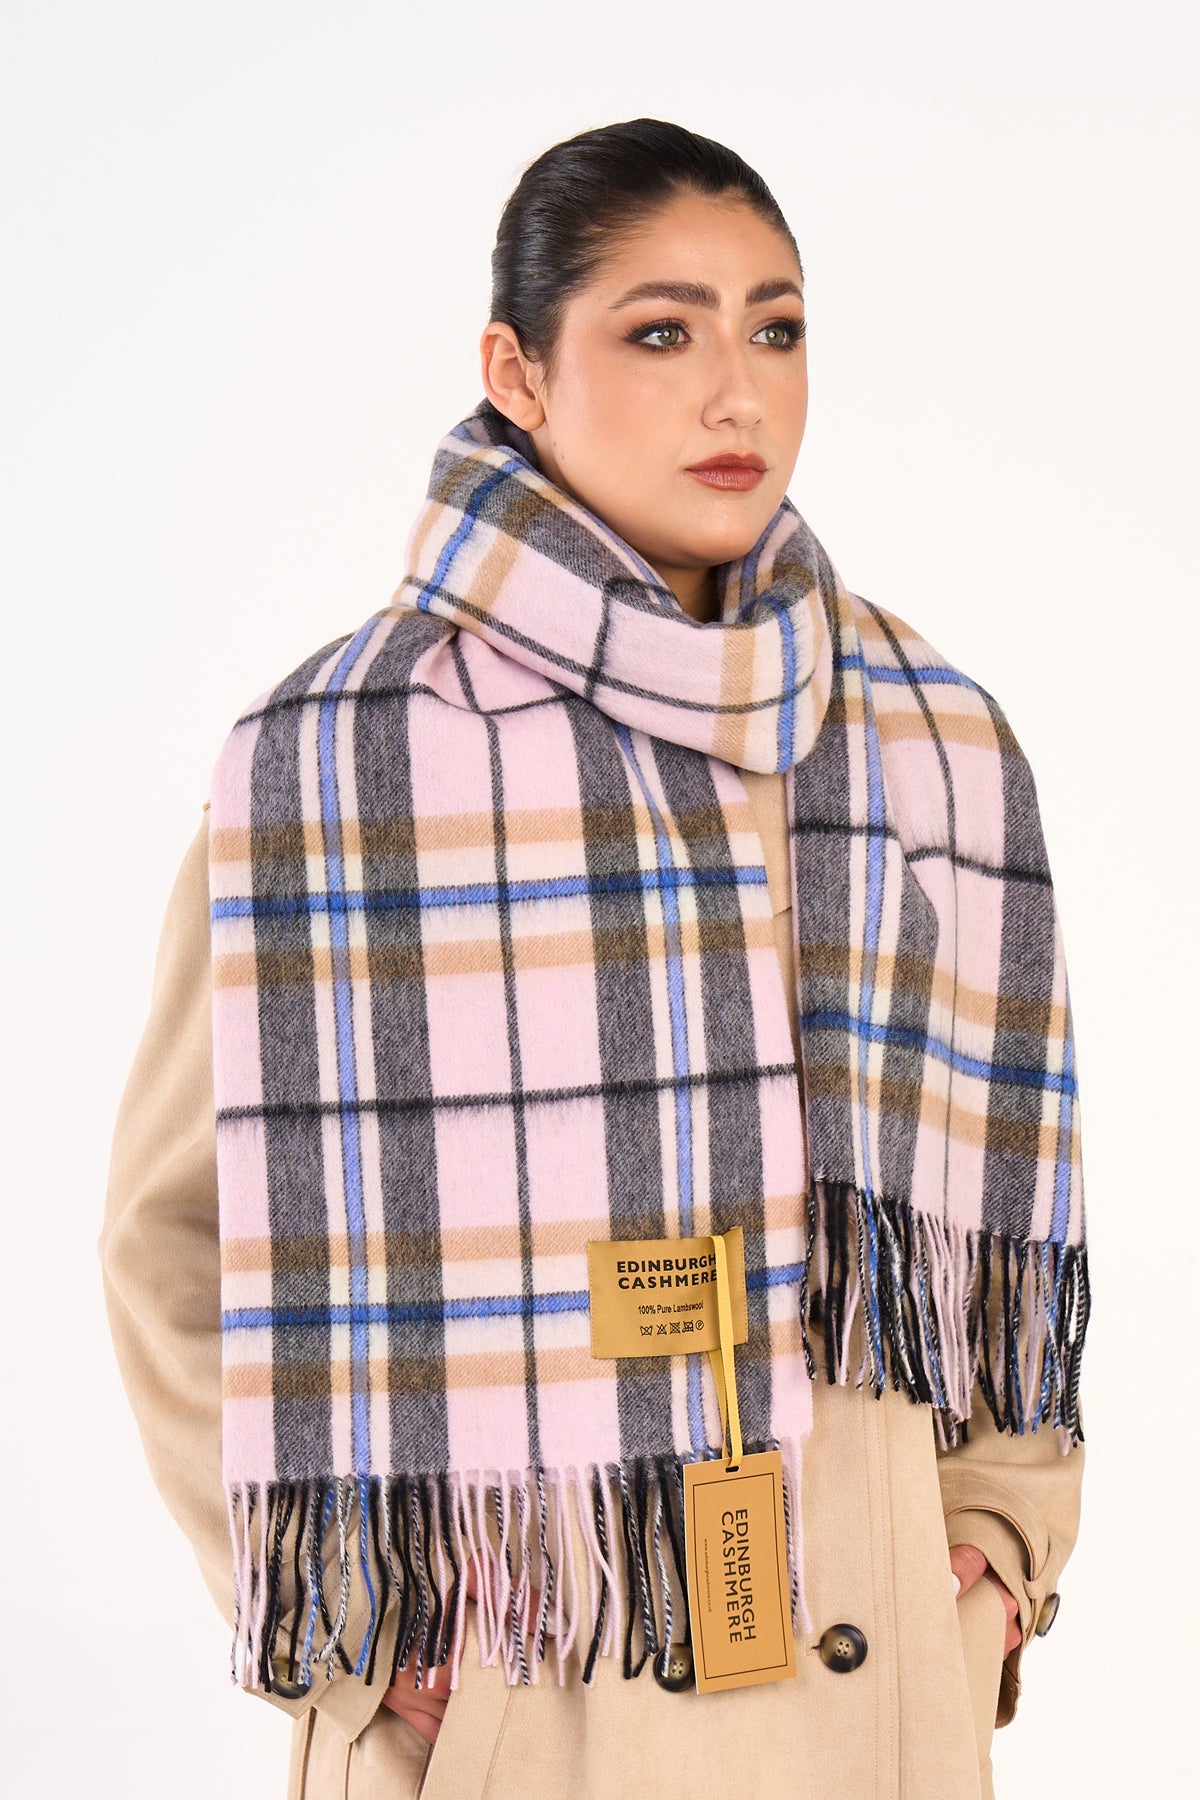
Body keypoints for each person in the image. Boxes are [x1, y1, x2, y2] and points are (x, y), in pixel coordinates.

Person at [100, 118, 1087, 1800]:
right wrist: (354, 1645)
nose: (737, 393)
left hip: (873, 1704)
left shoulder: (930, 746)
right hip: (522, 1701)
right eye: (662, 331)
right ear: (517, 372)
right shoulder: (343, 764)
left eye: (776, 328)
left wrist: (995, 1554)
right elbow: (170, 1244)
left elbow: (997, 1238)